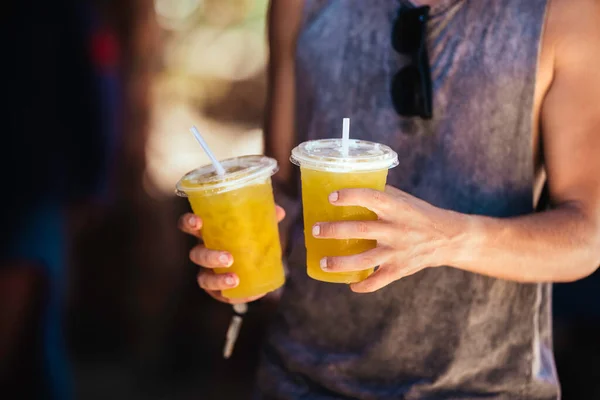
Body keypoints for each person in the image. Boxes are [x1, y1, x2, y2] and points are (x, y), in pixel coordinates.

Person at [179, 0, 600, 398]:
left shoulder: (565, 12)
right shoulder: (299, 5)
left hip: (480, 386)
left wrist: (450, 238)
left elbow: (587, 235)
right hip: (301, 379)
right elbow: (288, 203)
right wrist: (248, 257)